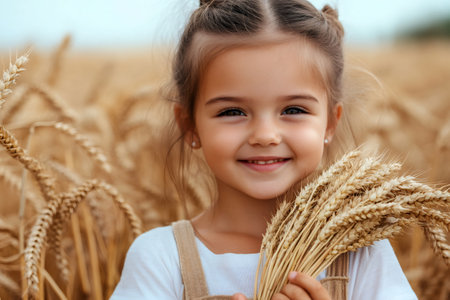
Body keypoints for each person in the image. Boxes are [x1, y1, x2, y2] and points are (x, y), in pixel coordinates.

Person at [111, 0, 417, 299]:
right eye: (232, 112)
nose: (265, 135)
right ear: (190, 126)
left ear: (329, 124)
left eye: (294, 109)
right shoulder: (162, 259)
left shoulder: (361, 251)